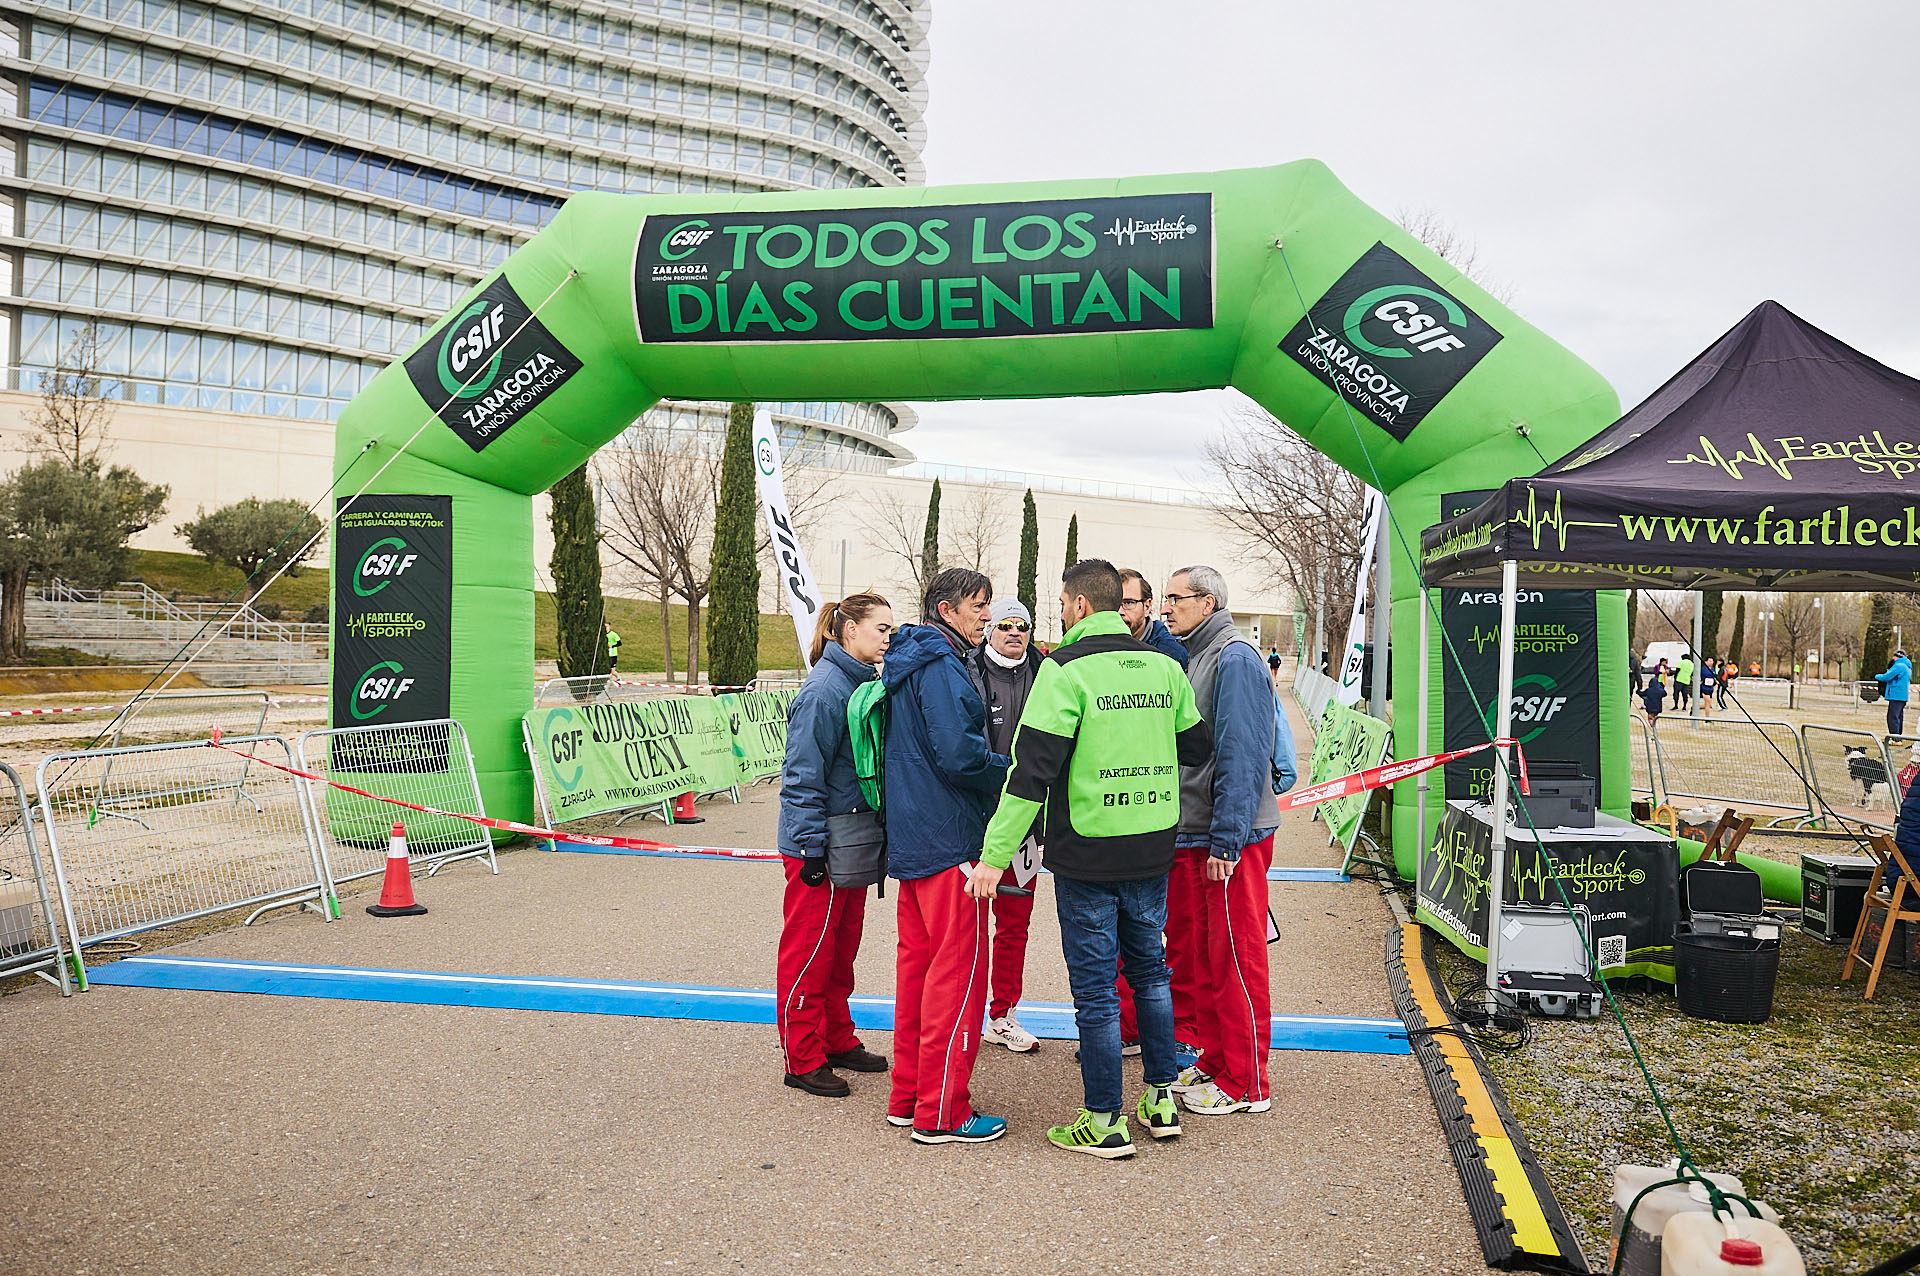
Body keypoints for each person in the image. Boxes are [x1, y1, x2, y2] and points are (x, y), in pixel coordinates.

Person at [966, 559, 1212, 1158]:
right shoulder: (1163, 665)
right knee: (1151, 972)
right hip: (1153, 841)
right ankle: (1159, 1100)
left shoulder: (1063, 670)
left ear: (1077, 607)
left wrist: (994, 858)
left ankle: (1103, 1119)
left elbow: (1031, 772)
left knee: (1098, 990)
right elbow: (1198, 745)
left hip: (1088, 851)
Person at [879, 567, 1011, 1145]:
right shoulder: (941, 665)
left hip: (914, 840)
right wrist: (1013, 774)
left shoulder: (912, 660)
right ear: (945, 609)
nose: (987, 614)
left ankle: (909, 1096)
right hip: (950, 840)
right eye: (978, 605)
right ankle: (942, 1112)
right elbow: (961, 756)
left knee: (919, 973)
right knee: (956, 980)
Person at [1162, 564, 1280, 1117]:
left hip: (1229, 837)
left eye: (1175, 598)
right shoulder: (1200, 654)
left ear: (1206, 603)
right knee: (1208, 959)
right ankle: (1215, 1059)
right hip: (1202, 833)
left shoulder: (1234, 658)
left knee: (1236, 957)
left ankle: (1247, 1080)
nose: (1167, 608)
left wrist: (1227, 842)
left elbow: (1243, 753)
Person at [775, 594, 896, 1097]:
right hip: (821, 844)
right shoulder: (824, 691)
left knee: (841, 947)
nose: (889, 637)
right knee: (809, 951)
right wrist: (809, 850)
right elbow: (802, 776)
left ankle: (835, 1038)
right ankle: (802, 1058)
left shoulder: (860, 682)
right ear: (849, 630)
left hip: (848, 840)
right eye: (881, 629)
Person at [964, 599, 1047, 1054]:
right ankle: (964, 1011)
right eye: (1006, 625)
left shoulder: (1047, 672)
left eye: (1023, 626)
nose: (1015, 632)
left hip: (1027, 823)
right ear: (991, 629)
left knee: (1015, 924)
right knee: (968, 926)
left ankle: (1002, 1014)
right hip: (977, 821)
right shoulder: (966, 669)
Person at [1117, 568, 1188, 668]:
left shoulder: (1171, 654)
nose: (1120, 611)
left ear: (1147, 606)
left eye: (1129, 603)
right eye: (1114, 604)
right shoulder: (1099, 648)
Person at [1876, 649, 1913, 737]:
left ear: (1896, 656)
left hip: (1896, 695)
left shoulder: (1899, 666)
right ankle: (1898, 737)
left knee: (1892, 718)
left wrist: (1876, 676)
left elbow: (1887, 676)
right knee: (1899, 717)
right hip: (1902, 696)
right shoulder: (1907, 667)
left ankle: (1894, 737)